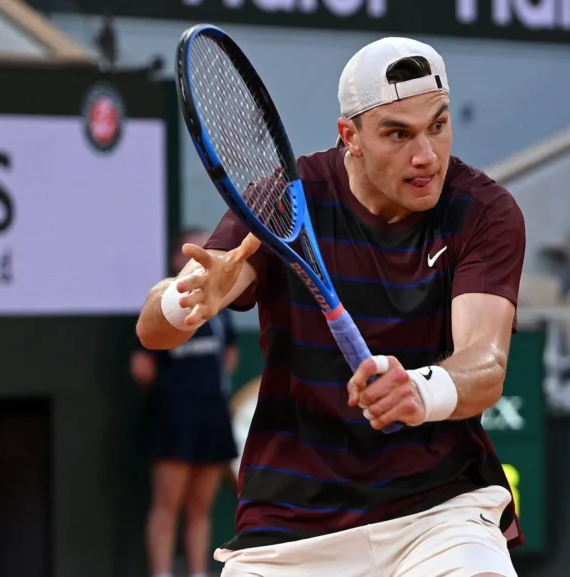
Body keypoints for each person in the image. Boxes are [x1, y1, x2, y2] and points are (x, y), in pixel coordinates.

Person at [137, 37, 525, 577]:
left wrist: (419, 389)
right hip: (292, 522)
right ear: (350, 137)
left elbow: (485, 364)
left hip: (438, 512)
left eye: (437, 125)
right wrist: (188, 298)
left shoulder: (483, 211)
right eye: (398, 134)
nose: (426, 156)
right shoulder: (287, 197)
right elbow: (153, 332)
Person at [131, 227, 240, 577]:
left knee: (200, 507)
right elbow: (142, 366)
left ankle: (198, 572)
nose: (203, 259)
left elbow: (230, 354)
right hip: (174, 415)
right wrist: (177, 391)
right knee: (167, 505)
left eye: (209, 249)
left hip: (211, 413)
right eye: (193, 252)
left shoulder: (219, 307)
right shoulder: (161, 308)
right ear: (176, 259)